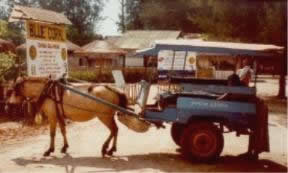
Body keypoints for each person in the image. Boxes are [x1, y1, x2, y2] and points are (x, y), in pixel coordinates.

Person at [218, 73, 269, 160]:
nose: (228, 84)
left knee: (257, 130)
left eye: (229, 82)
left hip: (259, 109)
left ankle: (255, 154)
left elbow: (225, 97)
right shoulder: (238, 87)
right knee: (254, 130)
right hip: (254, 109)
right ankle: (250, 153)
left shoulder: (239, 89)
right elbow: (226, 96)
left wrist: (214, 101)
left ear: (233, 82)